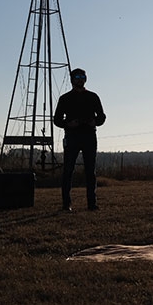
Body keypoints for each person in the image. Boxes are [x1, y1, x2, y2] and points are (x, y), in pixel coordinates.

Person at [53, 68, 106, 212]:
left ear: (85, 79)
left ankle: (92, 203)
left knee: (90, 170)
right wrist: (68, 124)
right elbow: (56, 119)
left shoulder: (93, 97)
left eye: (82, 76)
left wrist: (94, 122)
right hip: (72, 136)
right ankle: (66, 204)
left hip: (89, 135)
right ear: (72, 80)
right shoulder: (65, 99)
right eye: (77, 77)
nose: (80, 79)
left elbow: (102, 117)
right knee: (68, 170)